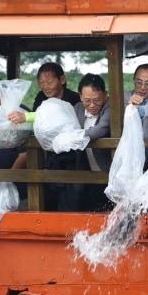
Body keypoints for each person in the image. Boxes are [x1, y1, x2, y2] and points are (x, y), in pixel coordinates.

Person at [54, 74, 112, 212]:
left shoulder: (111, 107)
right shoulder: (78, 109)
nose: (92, 105)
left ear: (105, 95)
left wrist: (74, 137)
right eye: (87, 100)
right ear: (80, 96)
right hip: (86, 172)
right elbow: (65, 126)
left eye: (97, 100)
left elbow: (101, 130)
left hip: (109, 171)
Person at [124, 63, 148, 139]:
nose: (142, 87)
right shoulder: (124, 97)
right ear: (134, 81)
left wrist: (135, 109)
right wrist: (129, 106)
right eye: (139, 82)